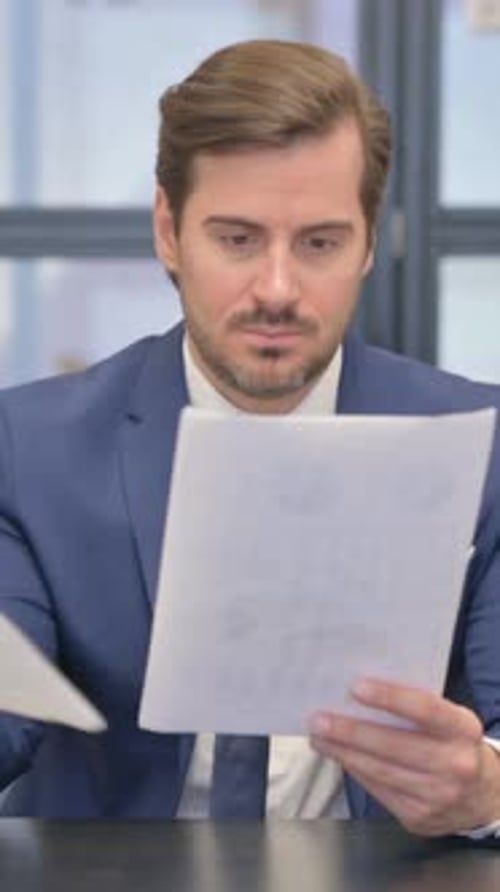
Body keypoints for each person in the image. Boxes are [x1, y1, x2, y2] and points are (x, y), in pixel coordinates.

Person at [0, 38, 500, 836]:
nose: (276, 288)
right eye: (236, 239)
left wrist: (488, 791)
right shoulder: (29, 447)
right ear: (169, 231)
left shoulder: (482, 447)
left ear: (370, 241)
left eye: (319, 243)